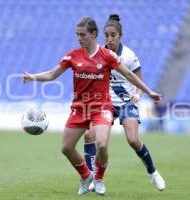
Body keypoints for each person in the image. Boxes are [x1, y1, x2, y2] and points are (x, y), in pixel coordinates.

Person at [22, 16, 161, 196]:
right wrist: (33, 77)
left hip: (101, 108)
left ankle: (99, 179)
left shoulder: (107, 56)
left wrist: (147, 92)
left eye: (83, 35)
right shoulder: (73, 55)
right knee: (66, 148)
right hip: (80, 109)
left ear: (93, 35)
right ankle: (86, 176)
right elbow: (51, 74)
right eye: (77, 35)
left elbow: (128, 74)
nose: (79, 38)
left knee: (101, 144)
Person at [83, 14, 166, 191]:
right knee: (90, 135)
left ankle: (153, 172)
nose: (109, 38)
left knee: (133, 140)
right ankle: (91, 177)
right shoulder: (98, 54)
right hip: (105, 104)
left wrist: (139, 93)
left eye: (113, 35)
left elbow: (137, 78)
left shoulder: (129, 55)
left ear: (120, 35)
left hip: (126, 103)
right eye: (106, 35)